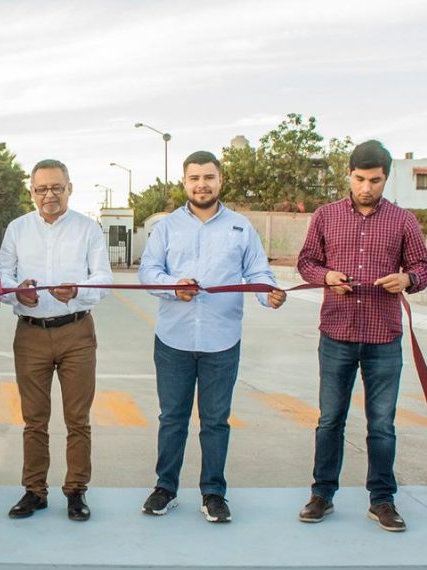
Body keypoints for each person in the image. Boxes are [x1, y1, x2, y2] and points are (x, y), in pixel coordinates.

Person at [137, 150, 285, 523]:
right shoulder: (167, 227)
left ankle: (214, 493)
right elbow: (148, 272)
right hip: (174, 340)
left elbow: (258, 273)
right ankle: (165, 487)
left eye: (208, 177)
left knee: (216, 420)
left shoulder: (241, 227)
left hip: (222, 340)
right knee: (172, 417)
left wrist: (271, 294)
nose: (201, 184)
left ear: (220, 181)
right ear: (184, 182)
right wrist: (174, 286)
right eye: (194, 178)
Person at [295, 139, 427, 532]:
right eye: (359, 178)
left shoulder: (403, 221)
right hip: (336, 332)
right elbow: (306, 261)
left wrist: (408, 278)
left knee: (382, 424)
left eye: (374, 180)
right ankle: (322, 495)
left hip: (383, 336)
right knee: (329, 420)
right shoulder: (325, 216)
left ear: (386, 178)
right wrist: (326, 277)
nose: (366, 187)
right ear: (349, 175)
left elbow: (422, 268)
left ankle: (382, 500)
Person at [0, 159, 112, 522]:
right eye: (42, 188)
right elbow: (2, 276)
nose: (50, 195)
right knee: (34, 419)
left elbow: (104, 278)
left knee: (78, 418)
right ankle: (34, 490)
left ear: (69, 189)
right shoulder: (16, 229)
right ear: (31, 191)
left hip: (76, 331)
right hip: (30, 333)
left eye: (57, 188)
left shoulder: (88, 229)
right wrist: (18, 294)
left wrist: (79, 291)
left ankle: (76, 491)